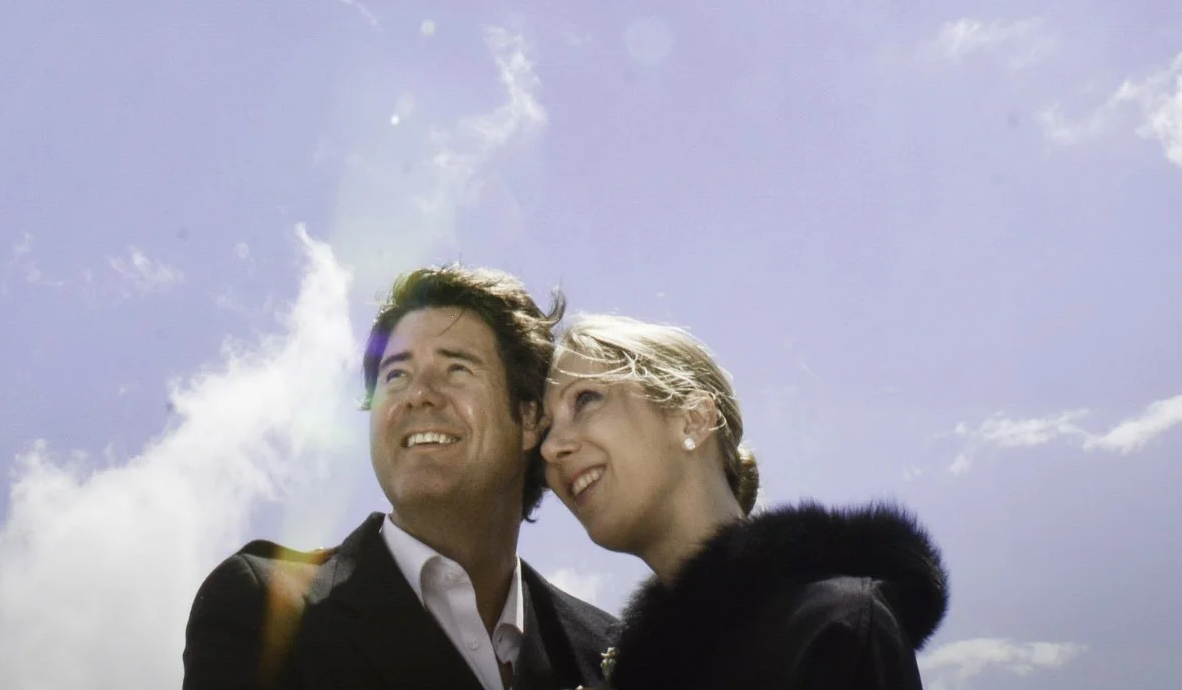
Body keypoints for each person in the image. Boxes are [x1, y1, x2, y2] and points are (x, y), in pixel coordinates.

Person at [183, 265, 618, 690]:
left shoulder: (608, 651)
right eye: (396, 375)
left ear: (528, 418)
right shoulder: (264, 609)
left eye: (456, 369)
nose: (418, 395)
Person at [539, 314, 947, 689]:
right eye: (545, 430)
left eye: (586, 398)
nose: (551, 448)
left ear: (693, 419)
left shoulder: (835, 628)